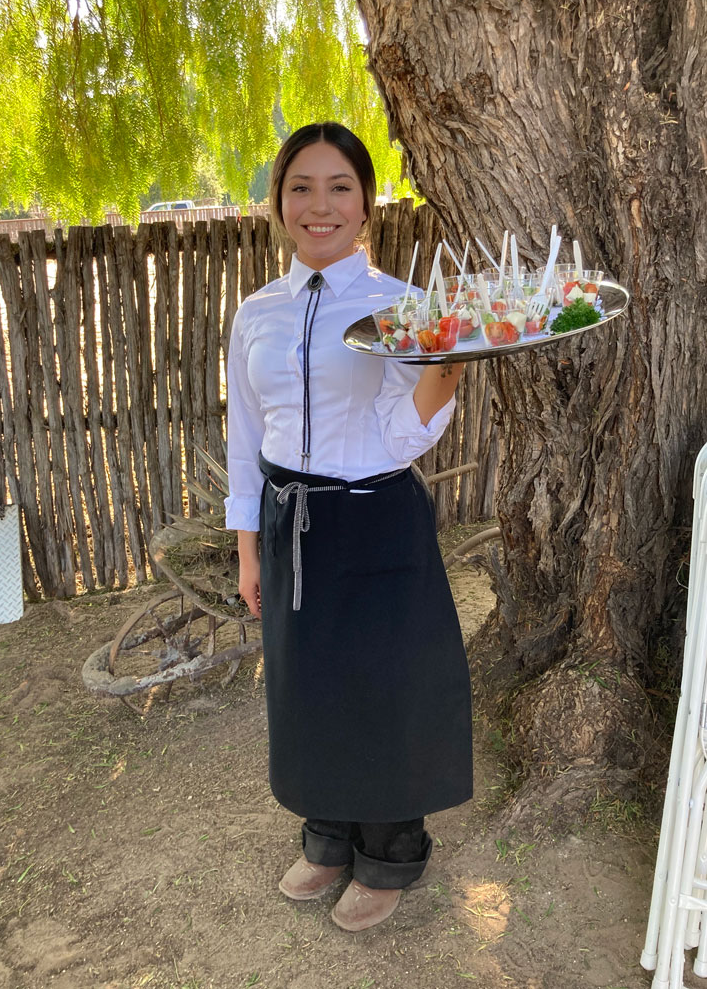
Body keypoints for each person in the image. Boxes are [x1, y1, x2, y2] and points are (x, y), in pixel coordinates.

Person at [224, 122, 473, 932]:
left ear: (366, 203)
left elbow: (405, 429)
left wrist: (446, 366)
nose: (319, 204)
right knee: (309, 689)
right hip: (289, 519)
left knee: (383, 687)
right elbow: (244, 435)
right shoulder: (256, 313)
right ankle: (327, 836)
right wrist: (247, 548)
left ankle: (391, 851)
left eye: (340, 187)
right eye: (302, 186)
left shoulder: (402, 307)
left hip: (375, 519)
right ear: (279, 201)